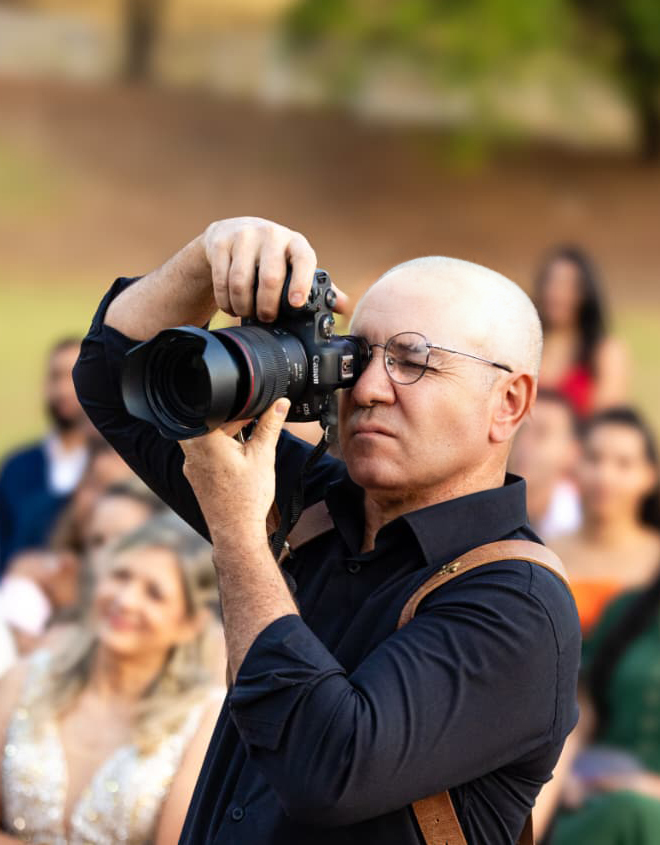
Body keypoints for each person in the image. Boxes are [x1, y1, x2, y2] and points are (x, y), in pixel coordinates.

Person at [72, 216, 581, 844]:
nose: (367, 389)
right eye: (358, 357)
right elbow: (113, 377)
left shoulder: (518, 606)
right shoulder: (317, 506)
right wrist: (209, 258)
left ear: (509, 402)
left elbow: (327, 769)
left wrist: (240, 536)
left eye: (413, 362)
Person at [0, 514, 225, 844]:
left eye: (154, 593)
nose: (125, 600)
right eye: (120, 576)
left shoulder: (203, 723)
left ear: (190, 623)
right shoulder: (27, 678)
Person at [552, 407, 660, 635]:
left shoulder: (655, 558)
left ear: (650, 476)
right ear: (575, 465)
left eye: (624, 464)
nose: (605, 476)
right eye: (594, 458)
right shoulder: (546, 554)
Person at [0, 338, 90, 572]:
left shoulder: (107, 466)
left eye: (73, 376)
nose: (63, 389)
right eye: (56, 377)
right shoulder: (18, 466)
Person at [534, 246, 628, 418]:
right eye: (551, 282)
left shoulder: (604, 351)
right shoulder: (525, 346)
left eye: (569, 285)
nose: (556, 293)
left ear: (585, 294)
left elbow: (606, 417)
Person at [508, 389, 582, 541]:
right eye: (520, 430)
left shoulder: (582, 523)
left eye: (542, 433)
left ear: (572, 452)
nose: (524, 443)